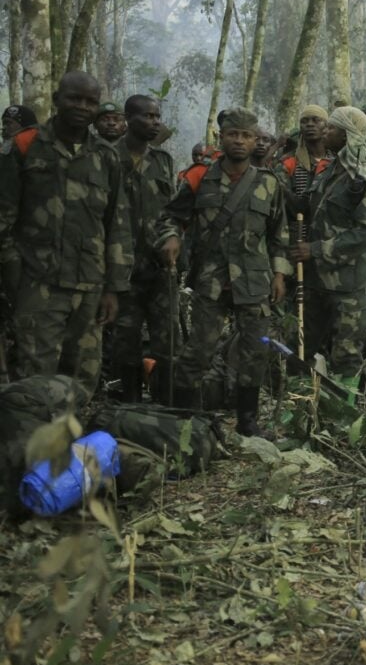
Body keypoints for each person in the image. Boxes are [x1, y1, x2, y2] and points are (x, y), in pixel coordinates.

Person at [156, 107, 290, 435]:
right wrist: (172, 236)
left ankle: (248, 422)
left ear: (256, 139)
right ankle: (188, 424)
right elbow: (170, 216)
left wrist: (279, 274)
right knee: (198, 351)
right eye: (234, 135)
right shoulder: (200, 177)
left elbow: (279, 235)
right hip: (211, 280)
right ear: (222, 137)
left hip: (254, 282)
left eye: (247, 135)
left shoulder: (268, 184)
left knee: (255, 351)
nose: (240, 141)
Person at [0, 71, 133, 394]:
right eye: (74, 98)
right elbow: (4, 219)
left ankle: (73, 442)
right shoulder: (23, 147)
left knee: (82, 378)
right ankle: (31, 444)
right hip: (37, 284)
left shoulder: (106, 156)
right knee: (34, 377)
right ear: (57, 99)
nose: (82, 107)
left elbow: (117, 224)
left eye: (91, 102)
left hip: (90, 287)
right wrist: (13, 276)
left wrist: (113, 288)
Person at [290, 107, 366, 405]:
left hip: (347, 285)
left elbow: (364, 234)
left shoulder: (362, 179)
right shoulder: (331, 170)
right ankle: (302, 407)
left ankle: (344, 415)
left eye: (331, 129)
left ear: (347, 135)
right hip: (317, 281)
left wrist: (314, 250)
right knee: (305, 346)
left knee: (346, 354)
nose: (325, 132)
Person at [108, 94, 179, 403]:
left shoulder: (162, 161)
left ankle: (164, 404)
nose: (155, 122)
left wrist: (173, 238)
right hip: (121, 271)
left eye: (157, 116)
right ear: (128, 120)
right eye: (148, 116)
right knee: (126, 340)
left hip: (160, 268)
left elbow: (173, 212)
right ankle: (131, 403)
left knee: (167, 340)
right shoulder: (106, 157)